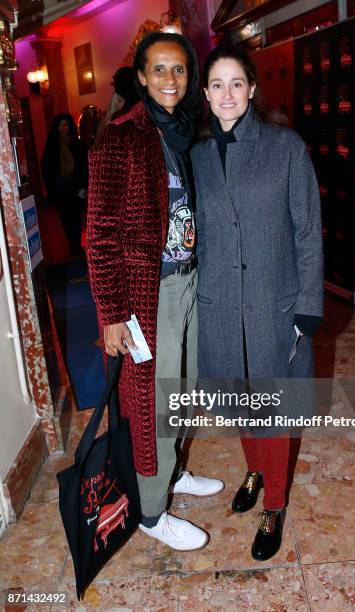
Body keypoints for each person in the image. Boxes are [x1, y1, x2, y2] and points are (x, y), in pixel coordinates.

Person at [86, 32, 223, 553]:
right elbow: (99, 234)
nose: (170, 79)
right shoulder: (120, 138)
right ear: (141, 78)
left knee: (183, 390)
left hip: (189, 280)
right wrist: (113, 314)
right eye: (159, 70)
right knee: (152, 404)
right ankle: (150, 509)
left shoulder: (188, 134)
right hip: (148, 297)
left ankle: (172, 471)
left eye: (179, 70)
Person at [191, 44, 324, 561]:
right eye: (217, 85)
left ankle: (275, 503)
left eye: (236, 83)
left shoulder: (286, 148)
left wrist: (308, 305)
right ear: (205, 94)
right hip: (221, 304)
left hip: (275, 303)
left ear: (251, 89)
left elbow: (309, 231)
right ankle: (254, 469)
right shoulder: (197, 156)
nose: (227, 94)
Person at [41, 113, 88, 257]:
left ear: (70, 126)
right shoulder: (52, 145)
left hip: (77, 189)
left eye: (66, 124)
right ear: (56, 127)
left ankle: (76, 247)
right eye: (60, 125)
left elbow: (85, 166)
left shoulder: (78, 144)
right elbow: (46, 167)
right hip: (61, 190)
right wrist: (52, 187)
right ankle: (74, 247)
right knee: (66, 221)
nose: (63, 128)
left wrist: (84, 186)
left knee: (77, 220)